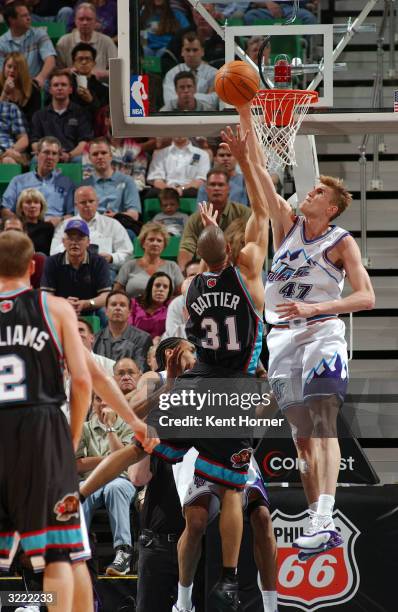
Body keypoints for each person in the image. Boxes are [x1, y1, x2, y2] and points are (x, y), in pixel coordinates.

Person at [237, 102, 375, 560]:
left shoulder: (340, 241)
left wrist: (320, 305)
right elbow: (259, 172)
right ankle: (322, 521)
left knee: (321, 420)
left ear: (330, 207)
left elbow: (366, 297)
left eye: (316, 192)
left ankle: (322, 515)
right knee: (300, 439)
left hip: (321, 334)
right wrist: (243, 113)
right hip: (280, 338)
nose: (307, 194)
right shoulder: (287, 224)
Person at [150, 116, 270, 609]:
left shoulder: (191, 286)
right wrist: (244, 158)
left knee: (155, 445)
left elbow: (207, 254)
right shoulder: (248, 274)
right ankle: (224, 577)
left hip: (197, 384)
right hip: (237, 384)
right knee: (234, 488)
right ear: (235, 251)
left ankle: (154, 516)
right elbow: (262, 208)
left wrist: (208, 230)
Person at [0, 229, 93, 612]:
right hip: (41, 426)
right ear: (34, 266)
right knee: (61, 551)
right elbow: (85, 380)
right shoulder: (53, 308)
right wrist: (69, 439)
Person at [76, 391, 137, 577]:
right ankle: (76, 550)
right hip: (91, 482)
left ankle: (123, 552)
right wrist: (108, 460)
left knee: (115, 487)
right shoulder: (84, 428)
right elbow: (76, 464)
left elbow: (124, 462)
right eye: (98, 399)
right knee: (78, 491)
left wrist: (110, 426)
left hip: (123, 481)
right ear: (92, 403)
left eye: (107, 398)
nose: (103, 403)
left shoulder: (128, 426)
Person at [50, 185, 133, 280]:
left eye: (91, 201)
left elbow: (128, 254)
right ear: (76, 205)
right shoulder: (64, 226)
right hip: (71, 270)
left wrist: (111, 258)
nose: (88, 205)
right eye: (83, 202)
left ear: (97, 202)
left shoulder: (113, 224)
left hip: (104, 270)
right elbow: (53, 254)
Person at [177, 169, 251, 270]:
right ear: (206, 189)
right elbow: (186, 248)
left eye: (220, 185)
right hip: (204, 269)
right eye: (212, 184)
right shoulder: (195, 218)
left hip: (237, 267)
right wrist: (185, 272)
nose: (216, 188)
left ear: (228, 188)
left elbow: (251, 245)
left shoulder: (244, 213)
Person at [40, 218, 112, 317]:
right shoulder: (52, 262)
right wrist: (64, 303)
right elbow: (46, 296)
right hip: (60, 308)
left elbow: (106, 296)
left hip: (91, 308)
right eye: (70, 238)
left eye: (80, 238)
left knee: (104, 311)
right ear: (64, 242)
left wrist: (87, 303)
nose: (74, 243)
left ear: (88, 242)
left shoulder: (99, 262)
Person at [1, 136, 75, 224]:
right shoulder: (18, 181)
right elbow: (5, 209)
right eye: (46, 152)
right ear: (37, 154)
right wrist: (18, 223)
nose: (50, 157)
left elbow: (72, 214)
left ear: (59, 157)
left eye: (54, 154)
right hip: (26, 227)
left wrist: (60, 220)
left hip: (56, 228)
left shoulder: (67, 183)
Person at [31, 69, 94, 162]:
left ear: (71, 89)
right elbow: (34, 142)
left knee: (82, 159)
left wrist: (69, 155)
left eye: (64, 85)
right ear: (50, 90)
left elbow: (84, 142)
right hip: (47, 155)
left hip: (72, 156)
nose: (59, 88)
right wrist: (50, 154)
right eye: (56, 85)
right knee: (36, 160)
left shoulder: (81, 113)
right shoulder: (39, 115)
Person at [114, 221, 184, 299]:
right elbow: (116, 293)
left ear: (164, 245)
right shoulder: (129, 265)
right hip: (133, 309)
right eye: (151, 240)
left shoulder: (172, 266)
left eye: (159, 240)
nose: (155, 243)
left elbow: (181, 295)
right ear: (143, 243)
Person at [93, 290, 153, 371]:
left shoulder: (143, 338)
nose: (118, 308)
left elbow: (140, 371)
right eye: (113, 304)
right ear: (106, 311)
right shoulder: (95, 339)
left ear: (129, 312)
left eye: (122, 305)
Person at [82, 138, 141, 221]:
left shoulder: (127, 181)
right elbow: (79, 216)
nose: (100, 157)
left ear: (111, 156)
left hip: (120, 225)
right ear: (90, 159)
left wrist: (115, 216)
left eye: (103, 153)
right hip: (93, 227)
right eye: (95, 154)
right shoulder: (84, 186)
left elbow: (134, 215)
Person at [0, 0, 56, 88]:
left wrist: (40, 78)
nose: (29, 18)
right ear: (12, 20)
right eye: (24, 16)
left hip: (36, 85)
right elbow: (1, 72)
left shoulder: (39, 34)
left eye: (28, 14)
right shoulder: (2, 43)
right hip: (13, 88)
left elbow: (50, 60)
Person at [56, 2, 118, 81]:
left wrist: (100, 73)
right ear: (75, 21)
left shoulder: (107, 41)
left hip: (100, 88)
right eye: (81, 19)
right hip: (72, 88)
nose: (85, 23)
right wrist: (68, 71)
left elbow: (117, 72)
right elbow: (56, 72)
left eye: (89, 19)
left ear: (95, 21)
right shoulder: (64, 42)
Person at [163, 31, 218, 108]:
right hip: (178, 116)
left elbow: (215, 101)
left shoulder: (214, 74)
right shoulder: (172, 74)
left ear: (202, 51)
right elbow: (169, 100)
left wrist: (183, 96)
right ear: (182, 51)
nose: (191, 54)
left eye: (195, 50)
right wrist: (203, 96)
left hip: (206, 116)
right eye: (187, 50)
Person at [146, 137, 210, 199]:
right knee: (152, 193)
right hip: (166, 189)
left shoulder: (201, 154)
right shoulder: (160, 154)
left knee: (200, 191)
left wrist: (182, 188)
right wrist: (171, 190)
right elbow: (157, 180)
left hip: (190, 190)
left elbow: (201, 180)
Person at [128, 271, 173, 340]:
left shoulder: (172, 307)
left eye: (165, 287)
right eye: (157, 285)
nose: (161, 289)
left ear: (169, 291)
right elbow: (128, 329)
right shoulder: (134, 303)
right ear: (150, 288)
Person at [70, 43, 109, 120]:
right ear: (74, 63)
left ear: (94, 63)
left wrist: (91, 100)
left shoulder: (103, 89)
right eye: (80, 59)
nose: (84, 62)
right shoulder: (66, 85)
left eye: (88, 59)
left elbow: (103, 116)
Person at [0, 51, 41, 124]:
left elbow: (34, 119)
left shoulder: (33, 88)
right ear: (4, 67)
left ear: (22, 70)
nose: (11, 70)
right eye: (9, 66)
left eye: (16, 68)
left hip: (25, 129)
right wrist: (5, 92)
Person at [163, 261, 200, 339]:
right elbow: (173, 333)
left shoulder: (215, 298)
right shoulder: (176, 303)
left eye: (200, 274)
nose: (196, 278)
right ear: (185, 279)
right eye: (192, 275)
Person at [15, 188, 54, 254]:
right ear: (21, 207)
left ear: (41, 206)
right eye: (28, 202)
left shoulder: (48, 227)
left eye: (36, 202)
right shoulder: (17, 227)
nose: (32, 206)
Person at [0, 99, 29, 165]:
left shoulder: (10, 108)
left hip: (6, 152)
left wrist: (10, 151)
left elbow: (23, 140)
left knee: (8, 160)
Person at [244, 0, 318, 25]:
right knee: (249, 17)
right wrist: (266, 3)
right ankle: (262, 46)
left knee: (309, 18)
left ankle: (300, 47)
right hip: (266, 10)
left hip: (294, 8)